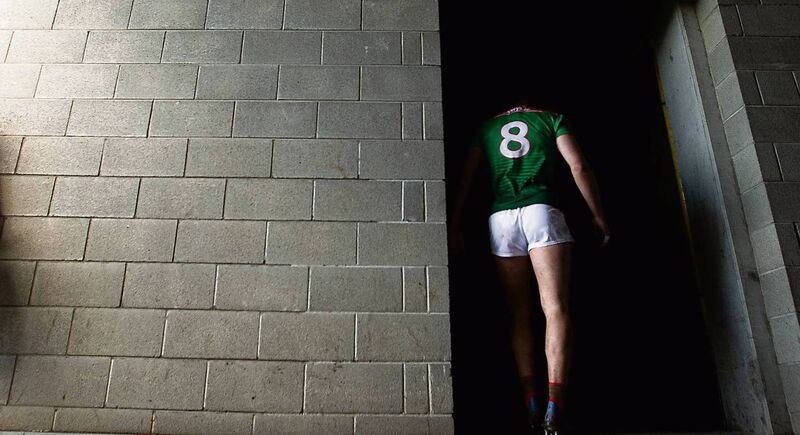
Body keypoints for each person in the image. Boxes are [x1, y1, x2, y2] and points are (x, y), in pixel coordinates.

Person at [449, 97, 610, 434]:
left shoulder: (487, 127)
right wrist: (597, 214)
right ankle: (555, 408)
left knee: (518, 315)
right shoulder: (553, 119)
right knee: (555, 308)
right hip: (541, 211)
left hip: (501, 219)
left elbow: (467, 176)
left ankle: (530, 403)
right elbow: (578, 166)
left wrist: (456, 221)